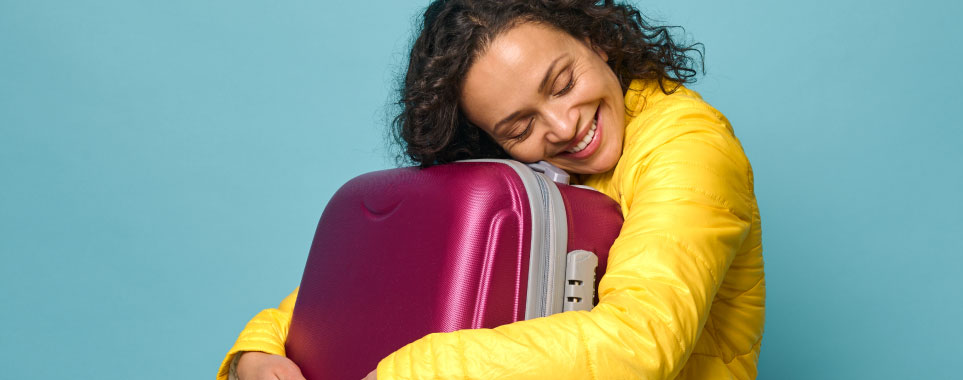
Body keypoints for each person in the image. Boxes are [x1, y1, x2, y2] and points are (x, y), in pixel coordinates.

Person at [217, 0, 764, 379]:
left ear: (596, 39)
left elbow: (642, 343)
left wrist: (411, 372)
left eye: (563, 83)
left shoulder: (690, 144)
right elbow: (376, 287)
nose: (562, 125)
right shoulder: (529, 178)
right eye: (520, 127)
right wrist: (257, 349)